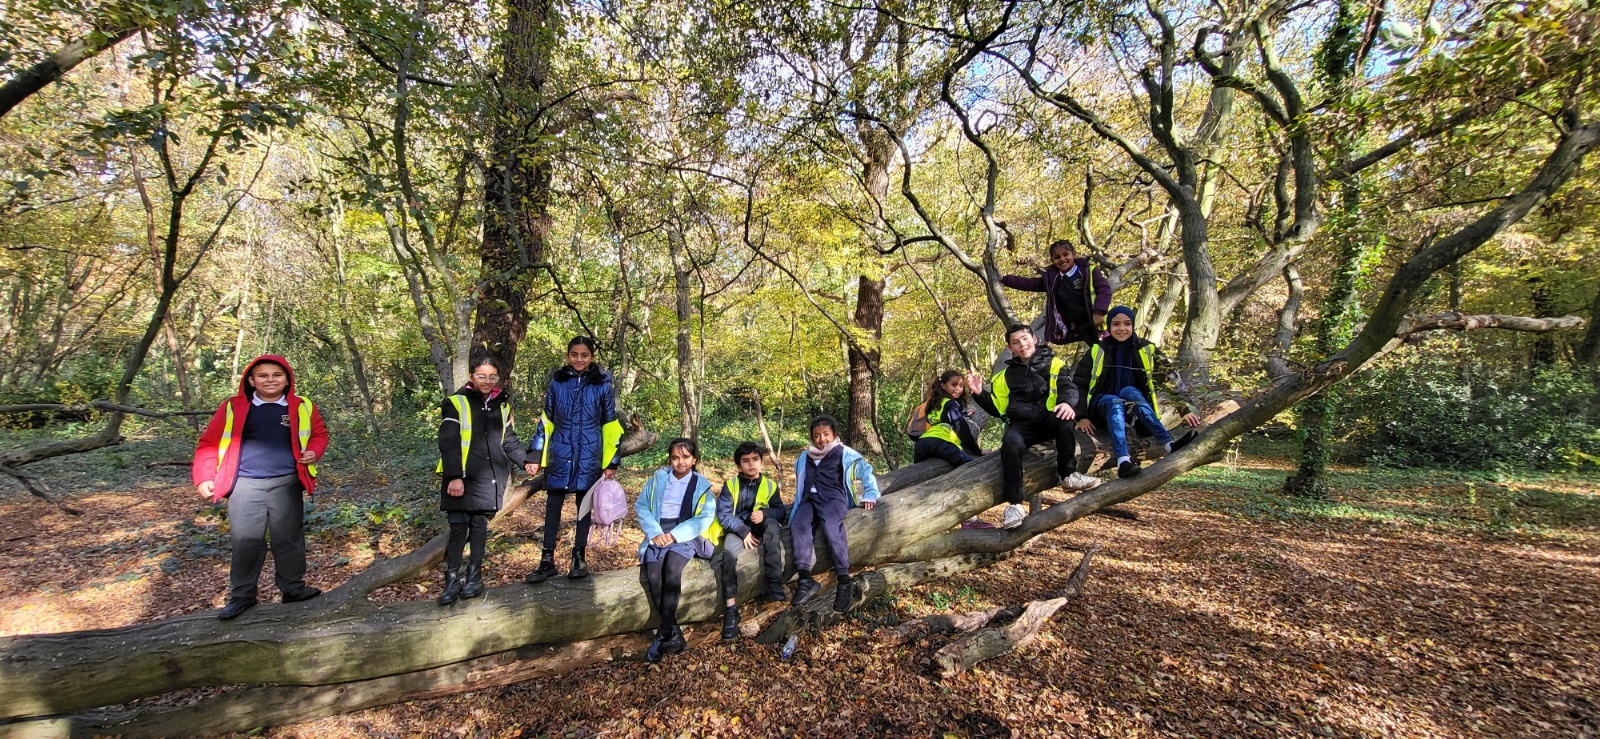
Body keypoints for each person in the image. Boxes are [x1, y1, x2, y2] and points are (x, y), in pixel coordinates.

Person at [191, 355, 328, 620]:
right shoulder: (233, 407)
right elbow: (209, 443)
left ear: (287, 379)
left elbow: (319, 435)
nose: (270, 380)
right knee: (246, 541)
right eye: (263, 376)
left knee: (288, 539)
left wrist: (313, 451)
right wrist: (203, 477)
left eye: (277, 375)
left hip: (286, 482)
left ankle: (293, 589)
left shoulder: (302, 406)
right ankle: (242, 596)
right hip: (244, 484)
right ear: (251, 381)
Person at [966, 325, 1102, 531]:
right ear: (1010, 348)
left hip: (1049, 418)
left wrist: (1067, 403)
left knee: (1065, 420)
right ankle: (1015, 505)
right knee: (1010, 444)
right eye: (1015, 342)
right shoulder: (1005, 376)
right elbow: (998, 408)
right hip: (1022, 425)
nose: (1022, 345)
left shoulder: (1054, 363)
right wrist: (979, 393)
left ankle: (1068, 475)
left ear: (1034, 339)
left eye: (1025, 339)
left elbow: (1069, 388)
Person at [524, 336, 623, 584]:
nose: (579, 359)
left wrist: (611, 462)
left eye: (584, 355)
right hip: (560, 452)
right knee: (553, 505)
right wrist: (535, 454)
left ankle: (579, 558)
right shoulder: (557, 383)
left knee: (584, 506)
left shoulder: (602, 385)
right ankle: (546, 559)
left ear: (592, 357)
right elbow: (547, 421)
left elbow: (610, 425)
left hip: (590, 454)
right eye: (574, 354)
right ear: (568, 355)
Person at [435, 357, 525, 606]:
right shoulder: (456, 402)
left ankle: (474, 578)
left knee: (479, 528)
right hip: (462, 477)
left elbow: (508, 440)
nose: (487, 381)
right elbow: (449, 441)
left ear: (498, 378)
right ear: (472, 376)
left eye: (492, 376)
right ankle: (451, 581)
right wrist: (454, 477)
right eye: (482, 376)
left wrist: (526, 460)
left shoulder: (501, 405)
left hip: (489, 477)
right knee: (457, 529)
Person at [1072, 306, 1201, 479]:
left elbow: (1170, 377)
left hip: (1133, 408)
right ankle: (1123, 461)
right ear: (1109, 326)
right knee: (1114, 401)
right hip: (1103, 406)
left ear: (1133, 325)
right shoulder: (1097, 350)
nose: (1121, 328)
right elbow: (1079, 383)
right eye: (1116, 324)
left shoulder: (1147, 349)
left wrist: (1185, 408)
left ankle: (1169, 444)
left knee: (1130, 391)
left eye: (1127, 324)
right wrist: (1081, 416)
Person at [634, 437, 717, 663]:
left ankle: (662, 634)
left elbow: (704, 517)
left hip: (685, 534)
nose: (680, 462)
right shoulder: (658, 479)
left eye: (685, 457)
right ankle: (675, 633)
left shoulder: (701, 485)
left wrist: (675, 535)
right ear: (670, 460)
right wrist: (655, 532)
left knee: (672, 571)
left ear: (694, 459)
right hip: (658, 533)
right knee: (653, 575)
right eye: (675, 457)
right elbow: (641, 505)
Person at [789, 415, 879, 612]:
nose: (821, 439)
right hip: (809, 500)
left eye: (826, 434)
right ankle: (805, 580)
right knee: (798, 525)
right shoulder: (805, 457)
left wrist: (871, 494)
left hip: (833, 499)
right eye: (817, 435)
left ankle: (844, 581)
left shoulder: (845, 454)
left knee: (831, 527)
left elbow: (866, 472)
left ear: (834, 434)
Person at [709, 442, 788, 640]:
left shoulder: (769, 485)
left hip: (761, 525)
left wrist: (765, 513)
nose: (751, 464)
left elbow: (780, 511)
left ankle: (774, 583)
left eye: (755, 459)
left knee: (772, 526)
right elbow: (724, 515)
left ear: (762, 462)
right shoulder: (730, 486)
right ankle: (731, 610)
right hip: (737, 529)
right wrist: (743, 531)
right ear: (739, 465)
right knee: (728, 556)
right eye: (745, 461)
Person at [1000, 239, 1113, 347]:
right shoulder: (1053, 279)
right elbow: (1029, 283)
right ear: (1052, 260)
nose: (1062, 259)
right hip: (1080, 326)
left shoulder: (1087, 271)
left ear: (1074, 254)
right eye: (1057, 257)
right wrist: (1004, 279)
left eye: (1066, 254)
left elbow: (1104, 290)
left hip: (1098, 320)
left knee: (1111, 347)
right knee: (1098, 351)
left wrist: (1099, 312)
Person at [912, 370, 984, 468]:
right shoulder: (950, 404)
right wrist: (978, 451)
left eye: (961, 385)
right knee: (972, 467)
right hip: (940, 442)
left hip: (921, 444)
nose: (958, 389)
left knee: (919, 472)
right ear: (943, 386)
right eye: (954, 385)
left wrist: (963, 414)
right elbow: (962, 430)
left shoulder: (935, 403)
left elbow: (943, 419)